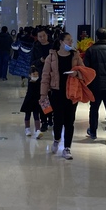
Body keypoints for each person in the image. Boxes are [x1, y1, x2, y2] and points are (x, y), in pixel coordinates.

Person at [40, 32, 84, 160]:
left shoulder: (75, 56)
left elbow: (84, 71)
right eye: (68, 40)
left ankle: (67, 148)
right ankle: (57, 139)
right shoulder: (51, 57)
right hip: (57, 92)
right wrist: (43, 94)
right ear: (61, 42)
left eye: (71, 40)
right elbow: (45, 77)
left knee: (70, 120)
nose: (71, 42)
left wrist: (77, 74)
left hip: (72, 93)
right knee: (58, 119)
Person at [30, 27, 53, 131]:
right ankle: (44, 121)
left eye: (44, 36)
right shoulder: (35, 47)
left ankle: (51, 118)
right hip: (40, 76)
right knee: (43, 99)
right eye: (40, 36)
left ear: (47, 35)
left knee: (52, 99)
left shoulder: (53, 46)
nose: (42, 38)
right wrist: (40, 60)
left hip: (52, 76)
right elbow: (32, 62)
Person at [20, 65, 43, 138]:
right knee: (28, 115)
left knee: (36, 115)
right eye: (34, 74)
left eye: (37, 74)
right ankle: (27, 129)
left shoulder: (39, 82)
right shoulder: (30, 82)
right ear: (30, 75)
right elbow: (30, 93)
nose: (35, 76)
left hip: (36, 101)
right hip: (29, 101)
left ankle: (38, 130)